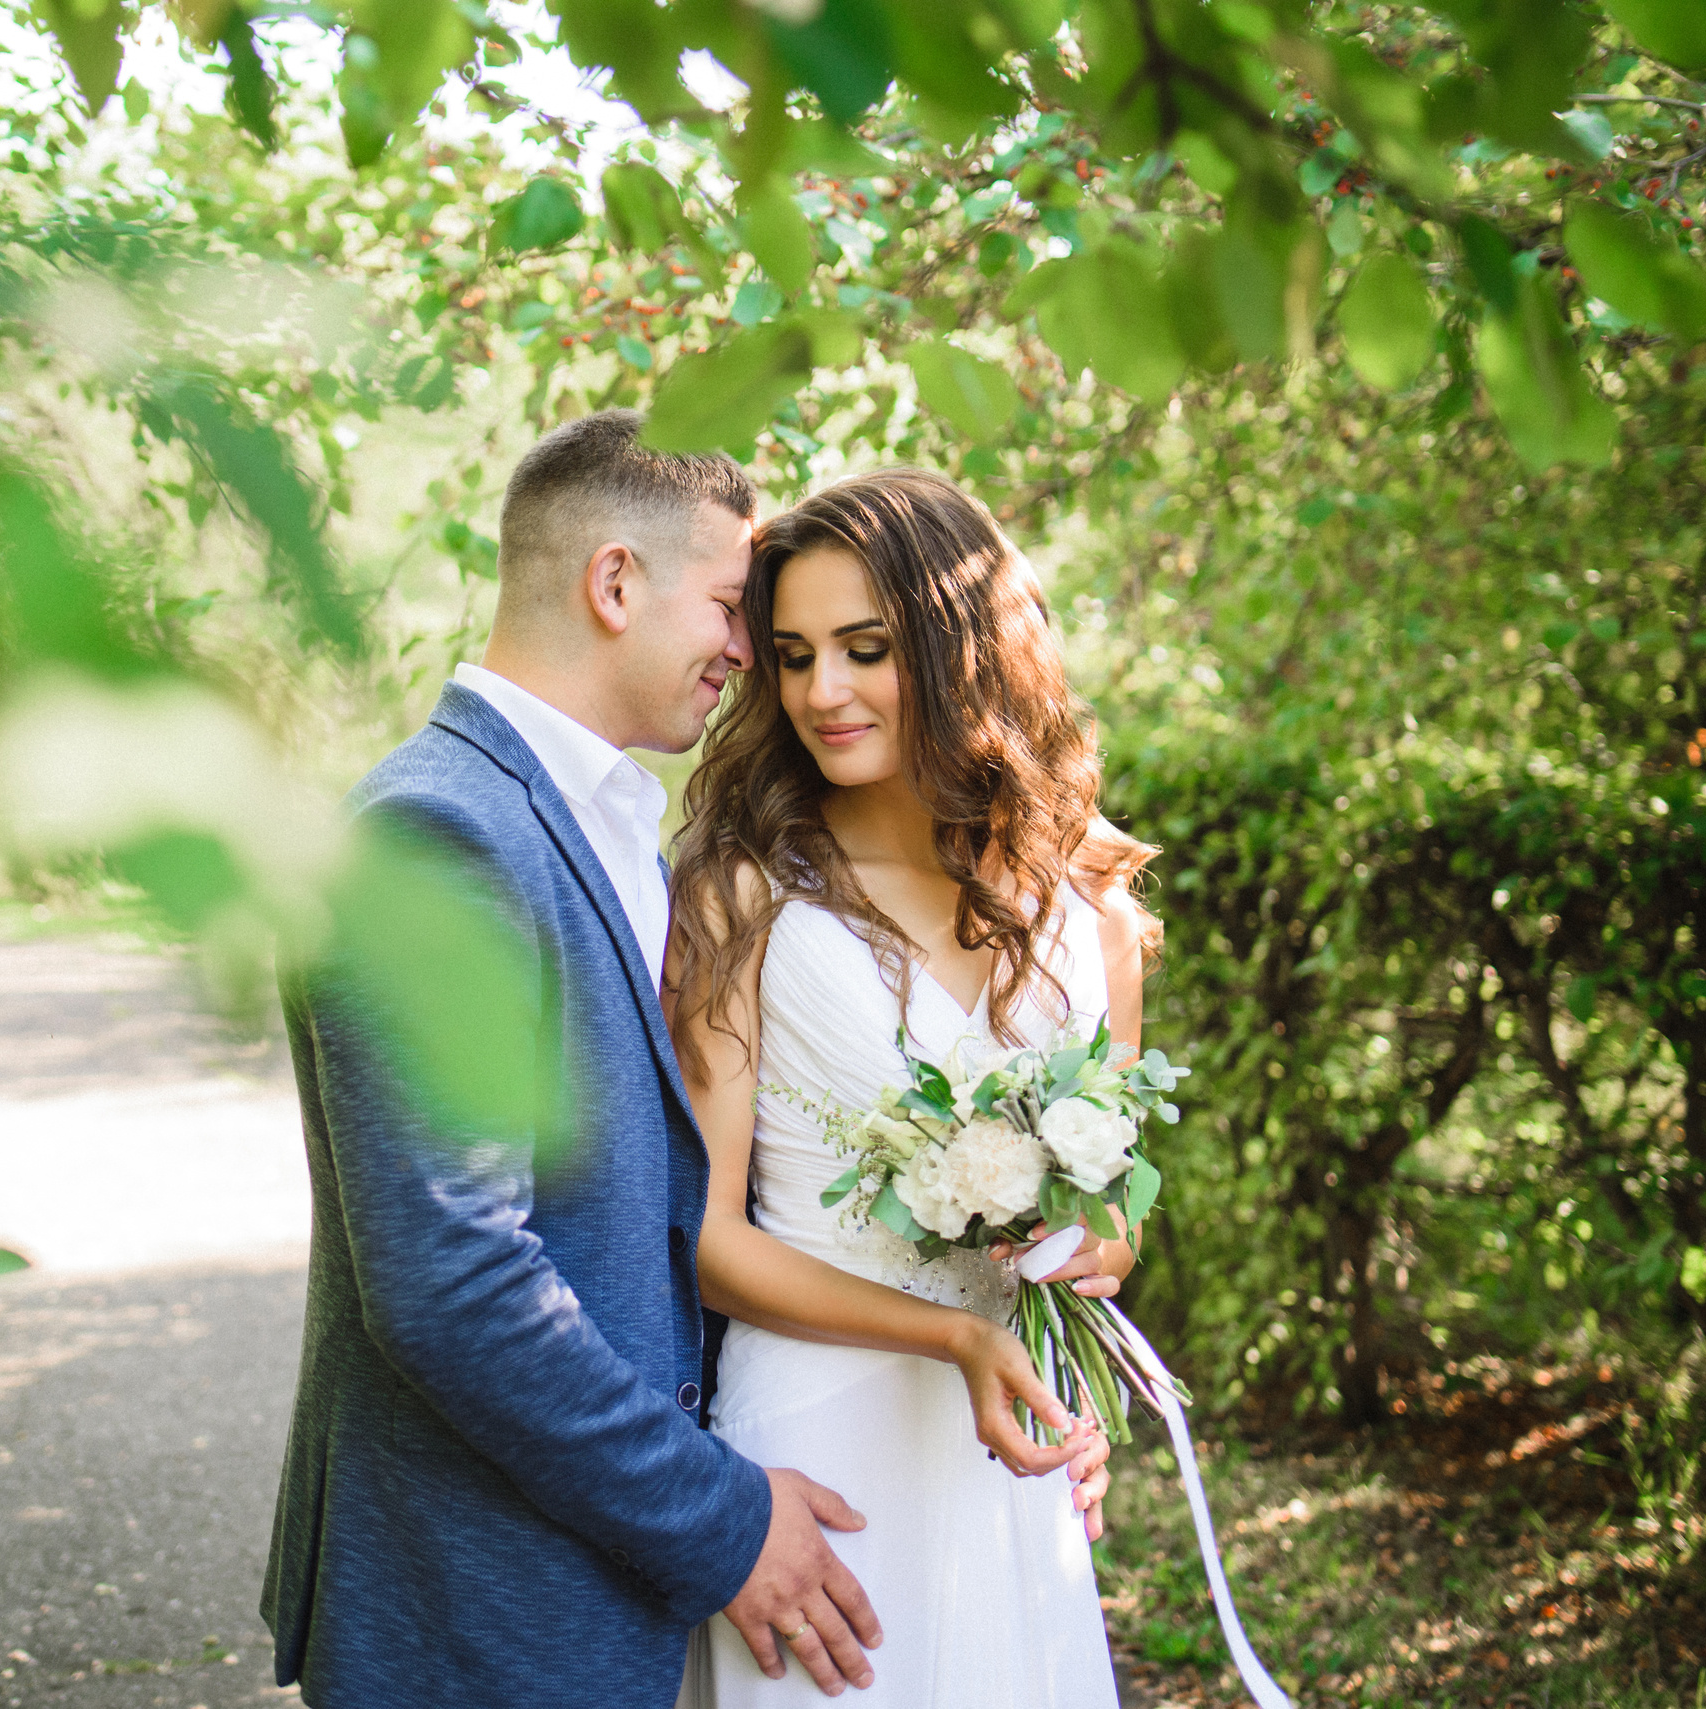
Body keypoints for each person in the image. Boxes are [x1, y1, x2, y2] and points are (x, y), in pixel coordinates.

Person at [261, 417, 1096, 1709]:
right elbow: (454, 1283)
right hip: (486, 1589)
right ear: (612, 585)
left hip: (624, 1554)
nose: (751, 656)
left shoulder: (608, 837)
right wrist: (724, 1517)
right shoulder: (437, 836)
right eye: (731, 607)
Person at [666, 468, 1156, 1707]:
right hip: (818, 1436)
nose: (821, 692)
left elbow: (1116, 1218)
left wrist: (1085, 1284)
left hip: (1006, 1441)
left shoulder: (1087, 904)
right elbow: (711, 1241)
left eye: (863, 648)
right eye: (790, 655)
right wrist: (955, 1330)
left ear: (955, 648)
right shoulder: (743, 891)